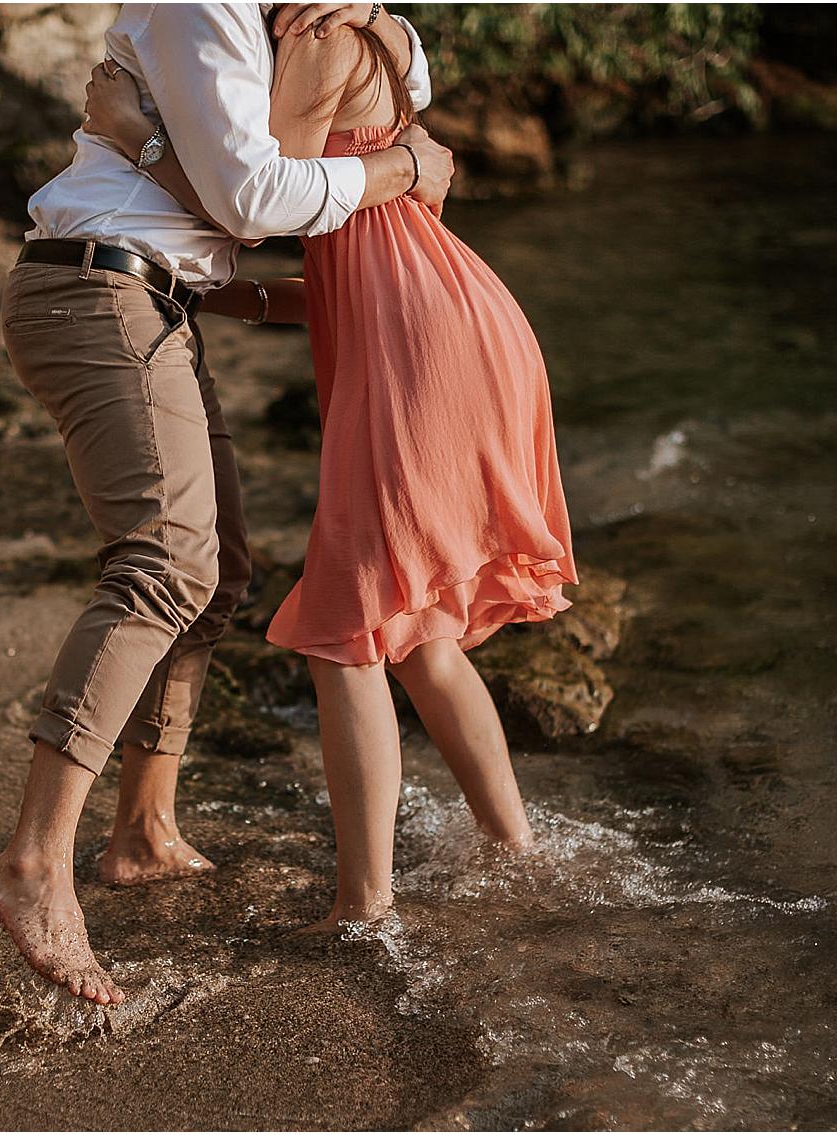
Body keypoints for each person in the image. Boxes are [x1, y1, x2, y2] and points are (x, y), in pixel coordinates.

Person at [0, 2, 456, 1006]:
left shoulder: (293, 19)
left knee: (215, 572)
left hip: (149, 297)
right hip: (97, 289)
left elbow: (408, 80)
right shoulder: (201, 3)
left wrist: (382, 22)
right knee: (166, 567)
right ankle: (31, 861)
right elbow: (251, 196)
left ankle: (140, 832)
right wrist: (403, 172)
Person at [83, 7, 578, 934]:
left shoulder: (314, 39)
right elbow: (365, 242)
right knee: (416, 627)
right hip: (456, 312)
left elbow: (254, 200)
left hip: (418, 340)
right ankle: (516, 850)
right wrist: (219, 295)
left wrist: (134, 141)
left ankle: (364, 908)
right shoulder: (386, 35)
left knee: (342, 630)